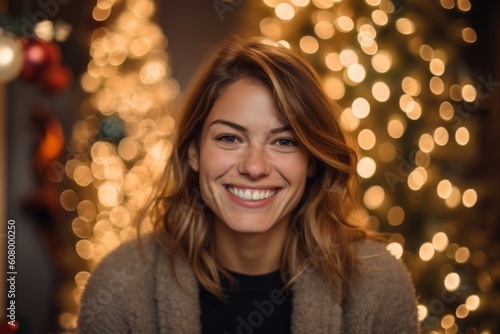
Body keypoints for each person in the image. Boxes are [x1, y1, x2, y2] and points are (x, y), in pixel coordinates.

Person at [78, 37, 419, 334]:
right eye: (229, 138)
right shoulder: (120, 285)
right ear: (194, 152)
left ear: (312, 160)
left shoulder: (379, 284)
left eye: (284, 142)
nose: (254, 167)